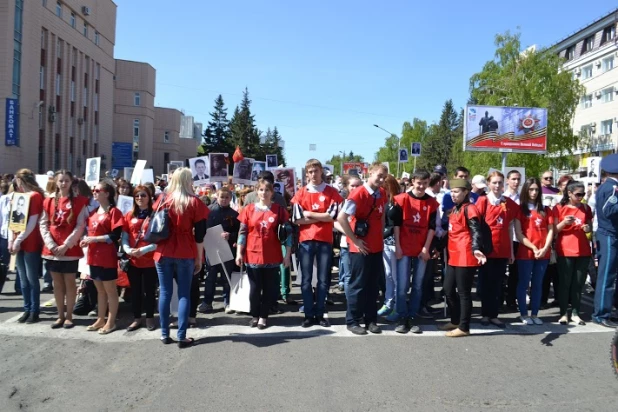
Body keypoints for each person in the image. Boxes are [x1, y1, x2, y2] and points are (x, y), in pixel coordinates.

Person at [153, 168, 208, 348]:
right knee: (184, 294)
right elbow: (200, 235)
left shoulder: (163, 200)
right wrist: (199, 258)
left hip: (163, 250)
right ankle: (182, 335)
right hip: (185, 250)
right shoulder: (194, 202)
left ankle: (163, 333)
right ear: (188, 181)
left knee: (165, 292)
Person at [337, 162, 388, 335]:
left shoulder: (381, 193)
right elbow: (342, 218)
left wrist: (380, 236)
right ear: (370, 173)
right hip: (359, 248)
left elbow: (381, 218)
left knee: (372, 286)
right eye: (378, 175)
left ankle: (371, 320)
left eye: (384, 177)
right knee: (357, 285)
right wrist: (355, 241)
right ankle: (353, 320)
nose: (381, 179)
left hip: (376, 246)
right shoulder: (358, 193)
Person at [291, 159, 342, 327]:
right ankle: (308, 314)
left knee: (323, 280)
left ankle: (320, 314)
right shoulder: (301, 193)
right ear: (307, 174)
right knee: (305, 280)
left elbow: (331, 217)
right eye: (310, 172)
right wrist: (321, 216)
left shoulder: (331, 192)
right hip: (306, 241)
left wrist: (309, 214)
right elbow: (297, 219)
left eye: (316, 171)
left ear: (322, 172)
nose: (314, 174)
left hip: (325, 241)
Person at [236, 178, 291, 330]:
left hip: (272, 255)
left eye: (267, 190)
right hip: (252, 254)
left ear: (272, 192)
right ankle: (254, 314)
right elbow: (242, 232)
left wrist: (287, 255)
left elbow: (288, 235)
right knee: (254, 289)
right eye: (261, 190)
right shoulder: (248, 209)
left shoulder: (279, 210)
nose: (264, 193)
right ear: (257, 191)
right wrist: (238, 253)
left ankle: (263, 317)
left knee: (269, 289)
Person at [40, 170, 89, 329]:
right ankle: (60, 316)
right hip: (52, 250)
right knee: (57, 284)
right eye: (61, 180)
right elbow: (43, 224)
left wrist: (66, 245)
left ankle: (69, 316)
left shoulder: (79, 201)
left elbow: (80, 225)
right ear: (56, 182)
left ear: (71, 182)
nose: (63, 183)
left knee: (70, 284)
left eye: (66, 180)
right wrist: (52, 245)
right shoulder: (48, 201)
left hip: (69, 249)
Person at [392, 170, 438, 333]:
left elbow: (432, 227)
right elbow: (396, 225)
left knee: (418, 285)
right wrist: (398, 246)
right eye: (419, 183)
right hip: (404, 246)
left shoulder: (432, 203)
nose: (421, 186)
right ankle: (402, 317)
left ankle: (413, 316)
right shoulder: (402, 199)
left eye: (425, 183)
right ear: (413, 182)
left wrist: (426, 248)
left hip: (421, 248)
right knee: (402, 285)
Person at [441, 179, 487, 337]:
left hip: (466, 255)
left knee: (464, 293)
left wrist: (475, 249)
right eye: (452, 191)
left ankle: (464, 327)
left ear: (466, 192)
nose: (453, 194)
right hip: (453, 255)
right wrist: (437, 248)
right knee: (447, 289)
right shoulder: (455, 209)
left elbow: (476, 231)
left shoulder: (470, 208)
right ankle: (455, 320)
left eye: (457, 191)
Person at [475, 171, 518, 328]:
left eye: (500, 182)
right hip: (487, 249)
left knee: (498, 284)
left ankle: (494, 315)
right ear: (488, 184)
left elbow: (511, 227)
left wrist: (511, 252)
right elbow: (476, 226)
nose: (497, 185)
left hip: (503, 249)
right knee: (486, 283)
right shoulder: (482, 201)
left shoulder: (507, 203)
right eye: (494, 182)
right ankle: (485, 314)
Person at [80, 181, 124, 334]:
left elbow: (115, 235)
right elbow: (90, 232)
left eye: (98, 190)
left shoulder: (114, 212)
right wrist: (86, 239)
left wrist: (94, 239)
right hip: (93, 256)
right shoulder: (93, 213)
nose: (94, 192)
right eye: (94, 189)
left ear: (107, 193)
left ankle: (111, 322)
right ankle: (100, 318)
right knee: (99, 290)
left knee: (110, 290)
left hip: (107, 256)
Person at [514, 178, 554, 325]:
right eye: (531, 189)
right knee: (524, 283)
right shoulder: (520, 210)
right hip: (526, 253)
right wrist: (534, 247)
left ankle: (535, 314)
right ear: (526, 190)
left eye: (536, 189)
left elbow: (551, 231)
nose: (534, 192)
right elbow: (519, 234)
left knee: (538, 284)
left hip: (543, 253)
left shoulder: (546, 210)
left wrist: (544, 248)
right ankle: (523, 314)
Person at [8, 169, 45, 324]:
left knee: (31, 278)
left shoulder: (35, 196)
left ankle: (34, 310)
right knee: (22, 278)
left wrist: (18, 239)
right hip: (18, 240)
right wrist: (12, 239)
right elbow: (13, 220)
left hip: (30, 241)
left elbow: (32, 221)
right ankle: (27, 308)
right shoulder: (18, 197)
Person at [553, 180, 593, 325]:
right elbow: (554, 230)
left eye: (582, 194)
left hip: (583, 249)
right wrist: (564, 223)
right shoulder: (559, 208)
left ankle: (575, 312)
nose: (580, 197)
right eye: (577, 194)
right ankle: (563, 312)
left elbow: (590, 229)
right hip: (565, 248)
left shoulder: (585, 208)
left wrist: (588, 229)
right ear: (569, 193)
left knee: (578, 283)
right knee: (565, 282)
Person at [121, 185, 158, 332]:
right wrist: (128, 250)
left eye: (143, 195)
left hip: (149, 259)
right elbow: (124, 236)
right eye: (137, 196)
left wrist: (143, 250)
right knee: (135, 291)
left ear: (149, 197)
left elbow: (160, 240)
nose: (140, 198)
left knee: (149, 291)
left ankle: (149, 317)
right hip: (133, 260)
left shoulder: (156, 215)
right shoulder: (129, 215)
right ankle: (136, 318)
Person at [201, 187, 239, 314]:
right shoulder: (207, 211)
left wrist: (231, 235)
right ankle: (207, 302)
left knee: (226, 277)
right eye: (221, 197)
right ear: (216, 196)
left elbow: (239, 232)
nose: (224, 200)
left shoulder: (234, 214)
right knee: (210, 277)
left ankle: (228, 302)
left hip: (226, 249)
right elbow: (201, 227)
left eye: (227, 197)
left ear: (230, 198)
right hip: (210, 248)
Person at [592, 154, 618, 328]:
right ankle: (601, 314)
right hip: (608, 234)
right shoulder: (611, 188)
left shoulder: (608, 186)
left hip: (610, 234)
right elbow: (608, 210)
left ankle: (607, 310)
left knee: (610, 275)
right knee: (606, 276)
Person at [334, 175, 362, 291]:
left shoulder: (364, 201)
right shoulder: (342, 203)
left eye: (357, 185)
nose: (355, 188)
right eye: (352, 185)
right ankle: (350, 304)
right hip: (346, 243)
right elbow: (334, 222)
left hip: (361, 243)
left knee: (360, 275)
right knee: (348, 275)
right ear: (346, 187)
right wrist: (349, 232)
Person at [504, 170, 522, 310]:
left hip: (518, 238)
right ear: (507, 180)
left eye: (518, 179)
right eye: (513, 179)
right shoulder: (502, 197)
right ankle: (498, 299)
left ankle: (511, 299)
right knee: (499, 272)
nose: (516, 182)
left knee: (515, 272)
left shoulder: (523, 199)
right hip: (504, 238)